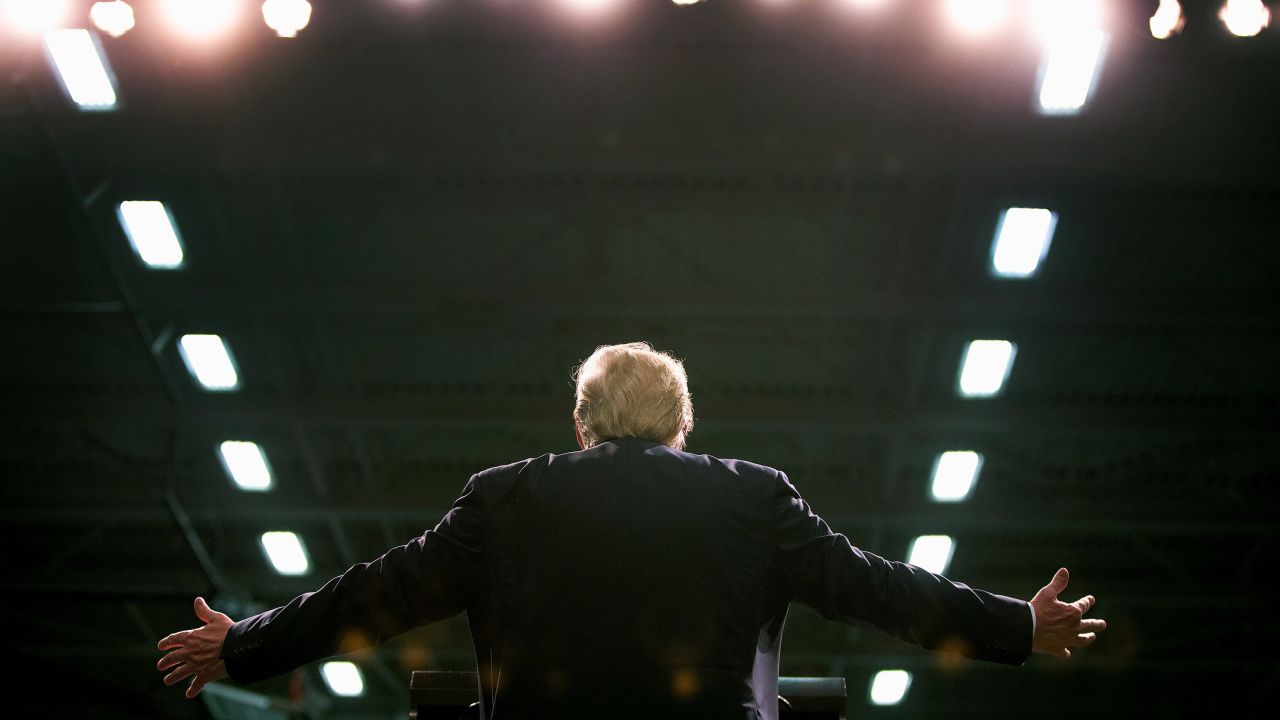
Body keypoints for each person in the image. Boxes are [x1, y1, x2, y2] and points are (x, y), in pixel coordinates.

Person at [157, 342, 1106, 718]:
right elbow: (883, 591)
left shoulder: (504, 498)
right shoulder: (752, 496)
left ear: (581, 426)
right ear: (682, 426)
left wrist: (243, 647)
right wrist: (1015, 624)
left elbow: (374, 595)